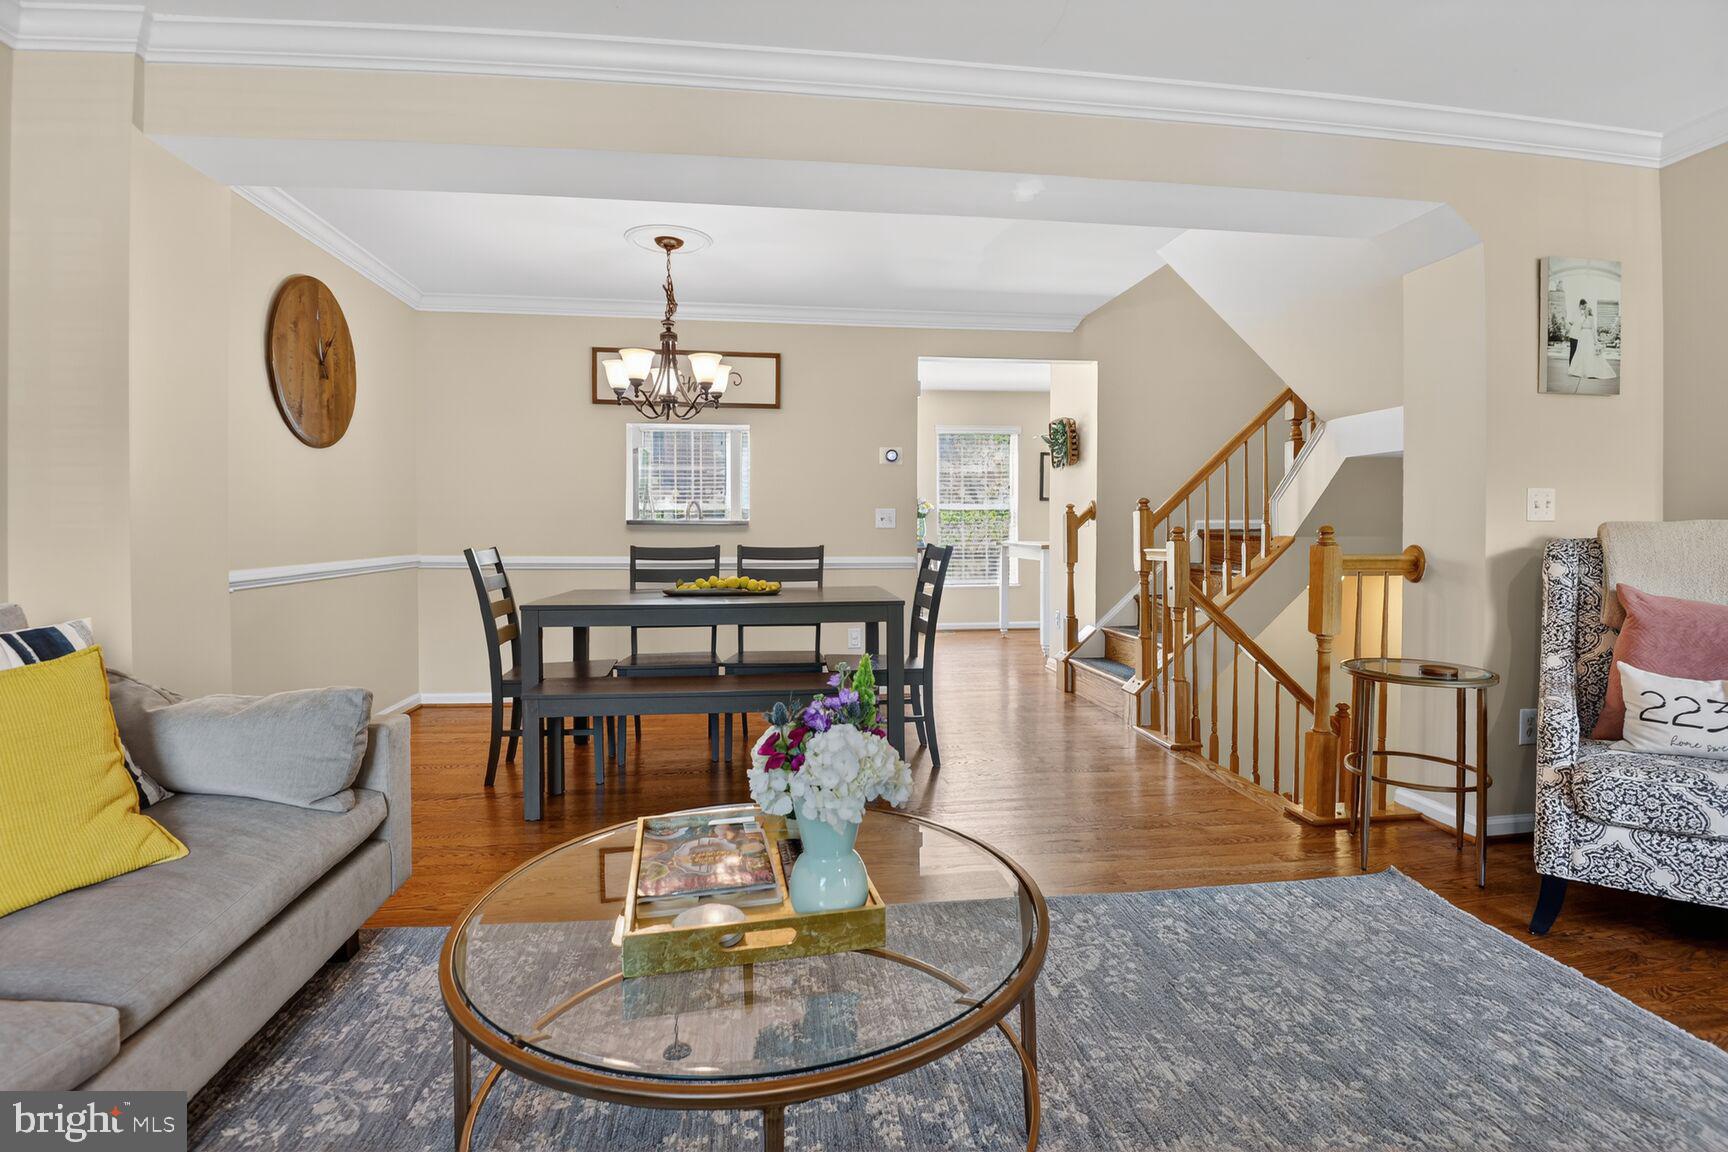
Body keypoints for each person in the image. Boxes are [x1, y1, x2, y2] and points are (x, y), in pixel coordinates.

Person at [1567, 300, 1617, 380]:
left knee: (1589, 352)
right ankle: (1576, 370)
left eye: (1587, 310)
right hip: (1582, 337)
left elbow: (1593, 329)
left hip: (1588, 336)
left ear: (1589, 312)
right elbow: (1577, 325)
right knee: (1580, 352)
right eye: (1585, 310)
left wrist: (1595, 341)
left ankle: (1589, 370)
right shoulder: (1582, 318)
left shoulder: (1591, 318)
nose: (1585, 311)